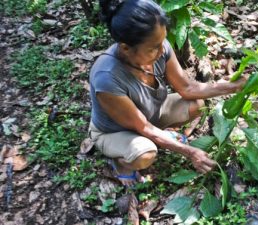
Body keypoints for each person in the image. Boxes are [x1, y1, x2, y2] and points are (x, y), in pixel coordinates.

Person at [89, 0, 246, 186]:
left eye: (162, 41)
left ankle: (161, 136)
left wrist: (231, 86)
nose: (162, 50)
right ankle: (122, 163)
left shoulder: (159, 48)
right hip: (115, 132)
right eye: (153, 47)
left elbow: (188, 89)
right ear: (125, 48)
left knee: (196, 105)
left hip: (150, 113)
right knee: (145, 154)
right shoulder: (107, 77)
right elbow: (144, 127)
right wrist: (190, 152)